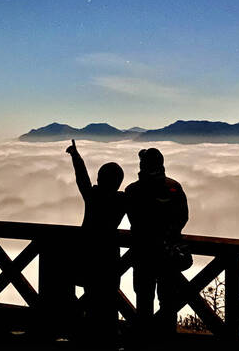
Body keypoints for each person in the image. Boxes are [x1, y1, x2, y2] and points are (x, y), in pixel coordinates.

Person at [65, 139, 126, 347]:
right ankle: (109, 339)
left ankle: (84, 338)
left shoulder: (93, 197)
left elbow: (81, 178)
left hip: (88, 255)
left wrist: (75, 155)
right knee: (109, 301)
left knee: (89, 299)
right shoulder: (122, 200)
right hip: (110, 257)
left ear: (100, 178)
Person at [125, 147, 189, 340]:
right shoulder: (175, 187)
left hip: (142, 255)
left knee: (144, 301)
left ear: (142, 166)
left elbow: (134, 220)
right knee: (168, 304)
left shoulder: (133, 190)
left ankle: (143, 341)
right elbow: (183, 218)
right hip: (169, 256)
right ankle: (166, 341)